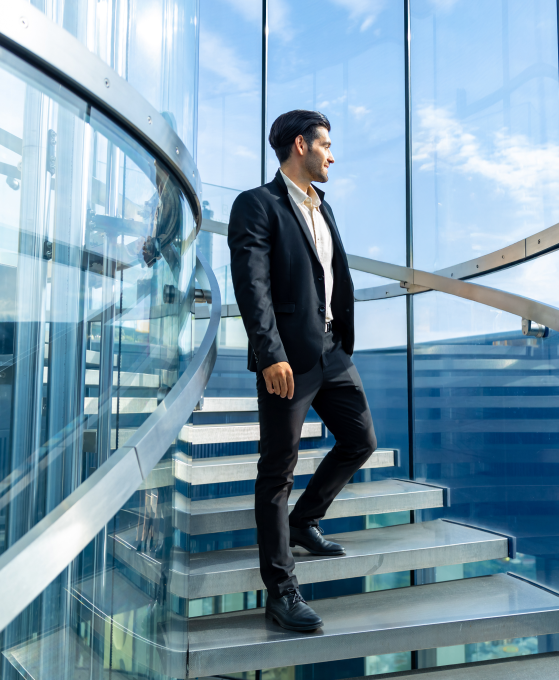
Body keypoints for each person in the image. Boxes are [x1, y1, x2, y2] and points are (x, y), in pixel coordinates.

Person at [228, 110, 377, 632]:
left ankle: (304, 519)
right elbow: (252, 284)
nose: (332, 155)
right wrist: (269, 353)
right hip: (287, 358)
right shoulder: (257, 204)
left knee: (360, 440)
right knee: (278, 470)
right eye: (326, 145)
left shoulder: (322, 206)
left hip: (333, 349)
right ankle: (281, 590)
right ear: (300, 145)